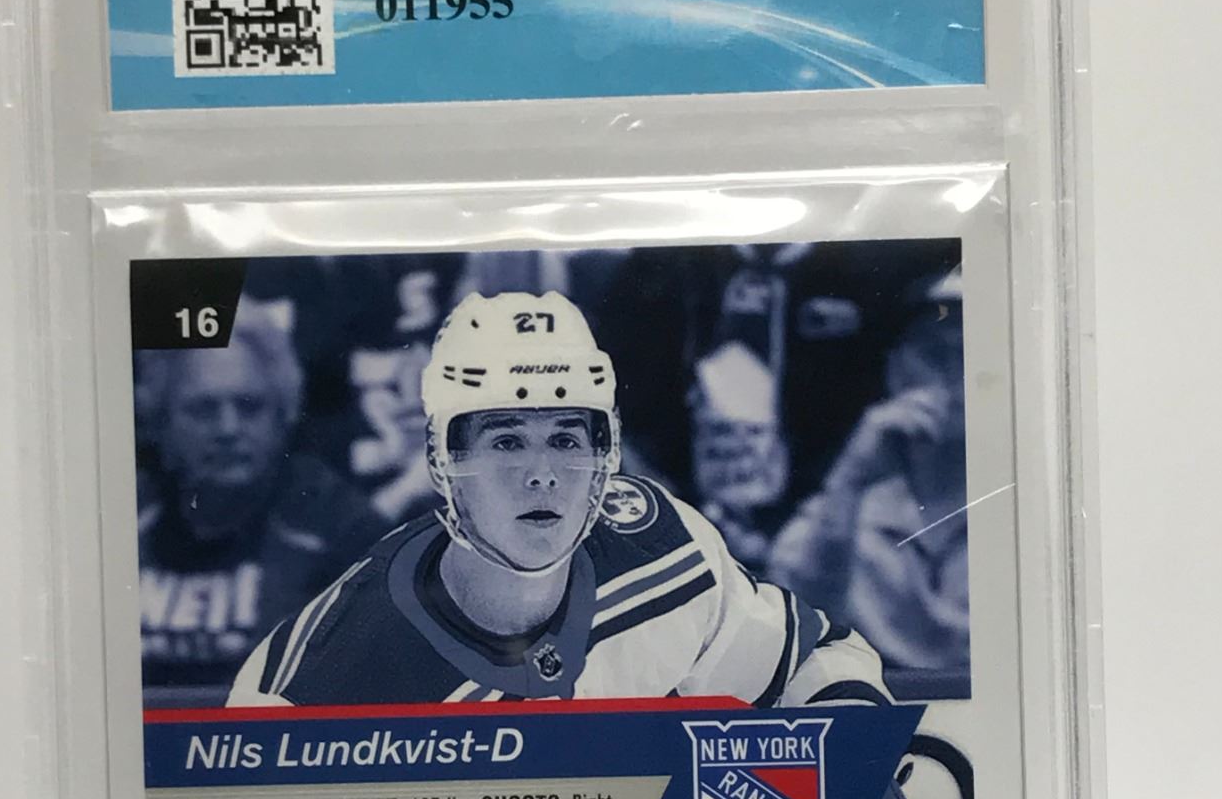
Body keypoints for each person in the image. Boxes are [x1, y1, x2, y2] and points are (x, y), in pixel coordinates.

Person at [229, 290, 893, 713]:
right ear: (443, 460)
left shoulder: (662, 549)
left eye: (567, 438)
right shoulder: (319, 675)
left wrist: (860, 771)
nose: (543, 474)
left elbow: (813, 661)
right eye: (507, 441)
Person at [137, 308, 402, 698]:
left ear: (282, 415)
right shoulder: (126, 520)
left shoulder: (338, 528)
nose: (228, 429)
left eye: (249, 407)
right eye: (203, 409)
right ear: (162, 421)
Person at [768, 269, 971, 691]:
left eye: (974, 352)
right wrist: (851, 476)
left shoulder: (1024, 500)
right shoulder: (851, 505)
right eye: (935, 352)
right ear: (896, 372)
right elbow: (791, 624)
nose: (956, 373)